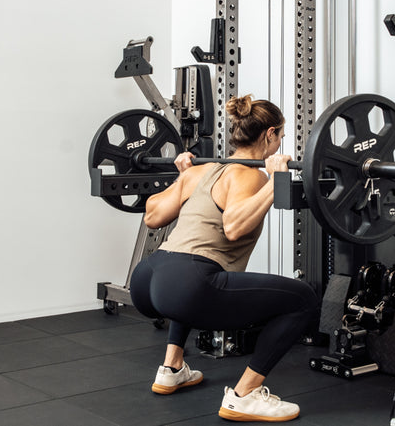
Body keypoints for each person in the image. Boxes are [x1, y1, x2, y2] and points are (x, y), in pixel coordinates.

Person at [129, 95, 320, 422]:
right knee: (302, 298)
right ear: (269, 134)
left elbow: (152, 215)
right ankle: (245, 395)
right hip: (188, 283)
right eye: (281, 135)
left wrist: (183, 177)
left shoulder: (201, 171)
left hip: (147, 279)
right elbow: (233, 226)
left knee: (193, 280)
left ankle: (171, 366)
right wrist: (274, 182)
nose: (281, 141)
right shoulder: (249, 175)